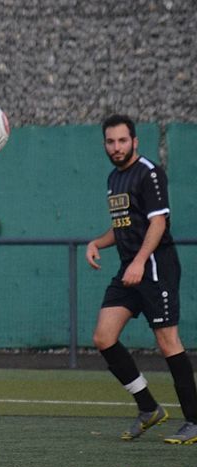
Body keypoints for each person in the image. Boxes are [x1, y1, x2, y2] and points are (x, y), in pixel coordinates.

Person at [85, 113, 197, 445]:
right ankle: (148, 408)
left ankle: (194, 420)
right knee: (104, 337)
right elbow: (122, 225)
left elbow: (158, 223)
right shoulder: (114, 178)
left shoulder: (149, 173)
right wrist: (96, 242)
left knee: (168, 341)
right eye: (110, 142)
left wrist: (139, 261)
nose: (116, 147)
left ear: (134, 141)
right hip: (129, 268)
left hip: (155, 266)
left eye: (122, 140)